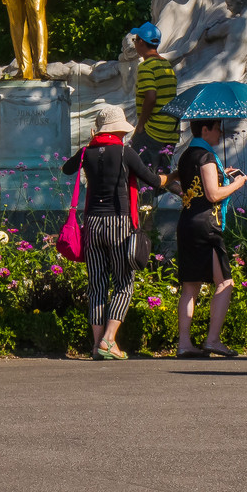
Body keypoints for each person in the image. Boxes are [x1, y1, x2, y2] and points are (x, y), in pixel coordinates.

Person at [62, 103, 177, 359]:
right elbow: (154, 181)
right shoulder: (125, 152)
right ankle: (109, 339)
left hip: (92, 223)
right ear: (119, 131)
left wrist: (90, 144)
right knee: (124, 283)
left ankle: (95, 346)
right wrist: (175, 175)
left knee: (97, 285)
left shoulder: (86, 152)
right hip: (119, 222)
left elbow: (66, 169)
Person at [174, 117, 247, 358]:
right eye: (217, 128)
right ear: (205, 130)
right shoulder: (205, 156)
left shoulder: (187, 154)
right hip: (207, 226)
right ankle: (213, 340)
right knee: (225, 283)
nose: (220, 133)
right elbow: (213, 194)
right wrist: (237, 183)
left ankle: (184, 343)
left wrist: (220, 175)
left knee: (190, 286)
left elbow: (186, 182)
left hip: (187, 223)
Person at [129, 22, 179, 267]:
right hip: (168, 134)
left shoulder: (147, 66)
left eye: (134, 40)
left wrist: (140, 126)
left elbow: (150, 97)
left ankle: (143, 247)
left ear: (141, 43)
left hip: (151, 133)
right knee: (161, 178)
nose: (134, 44)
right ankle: (188, 194)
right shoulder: (166, 65)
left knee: (143, 188)